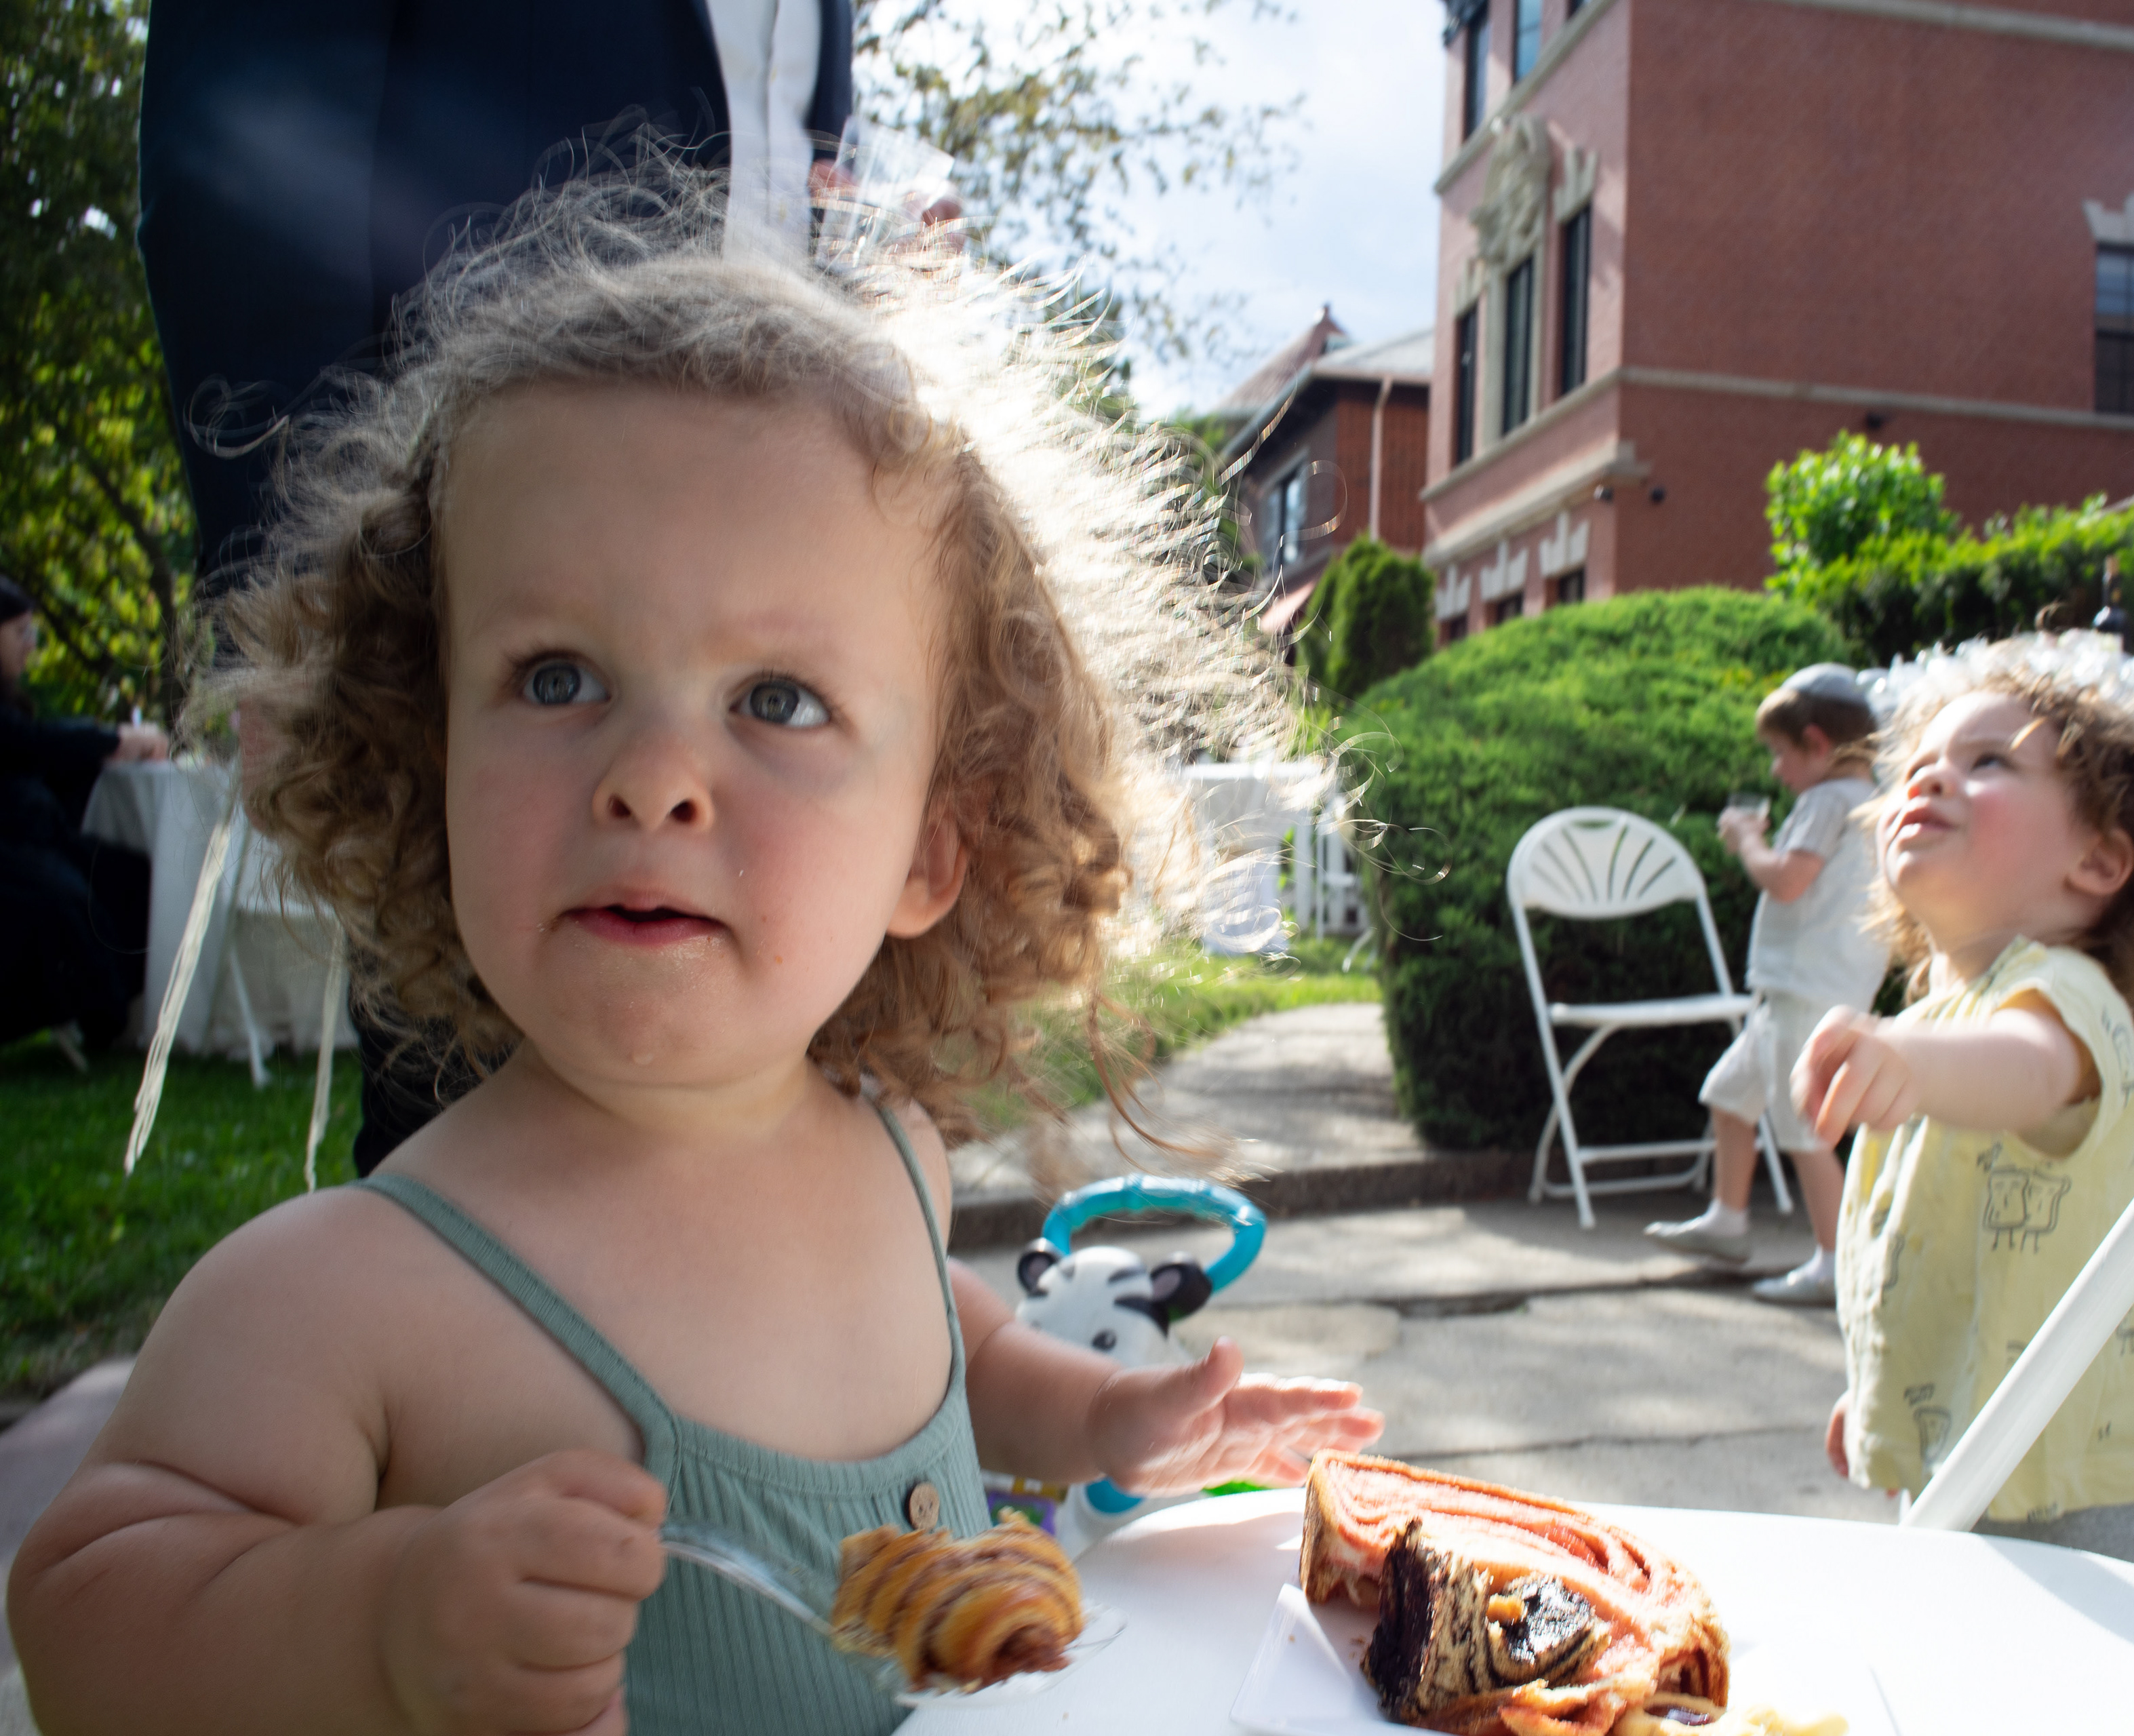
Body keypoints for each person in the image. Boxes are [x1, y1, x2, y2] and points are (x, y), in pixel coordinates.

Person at [7, 176, 1381, 1733]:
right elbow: (85, 1617)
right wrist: (384, 1617)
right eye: (556, 675)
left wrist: (1108, 1415)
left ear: (929, 849)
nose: (653, 774)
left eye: (776, 699)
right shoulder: (349, 1294)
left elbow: (952, 1345)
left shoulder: (893, 1157)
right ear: (421, 749)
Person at [140, 0, 856, 1172]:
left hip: (786, 602)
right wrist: (294, 593)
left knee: (757, 1142)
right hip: (469, 586)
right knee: (478, 1146)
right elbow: (241, 152)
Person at [1800, 637, 2134, 1577]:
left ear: (2098, 859)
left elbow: (2028, 1069)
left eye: (1989, 763)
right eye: (1918, 767)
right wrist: (1885, 1386)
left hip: (2082, 1501)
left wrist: (1908, 1062)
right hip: (1965, 1468)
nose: (1932, 779)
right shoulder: (1931, 1023)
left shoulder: (2067, 998)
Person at [1645, 665, 1887, 1307]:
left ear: (1816, 743)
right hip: (1814, 987)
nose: (1777, 771)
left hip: (1803, 989)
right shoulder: (1869, 799)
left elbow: (1786, 880)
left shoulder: (1827, 801)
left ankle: (1837, 1262)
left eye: (1781, 754)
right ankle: (1727, 1223)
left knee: (1803, 1129)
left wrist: (1747, 841)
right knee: (1731, 1095)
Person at [0, 578, 167, 1054]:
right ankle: (101, 1014)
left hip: (40, 841)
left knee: (135, 879)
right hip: (12, 855)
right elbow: (29, 744)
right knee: (70, 904)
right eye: (20, 633)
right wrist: (113, 740)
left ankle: (117, 1016)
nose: (31, 646)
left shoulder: (9, 699)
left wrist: (106, 746)